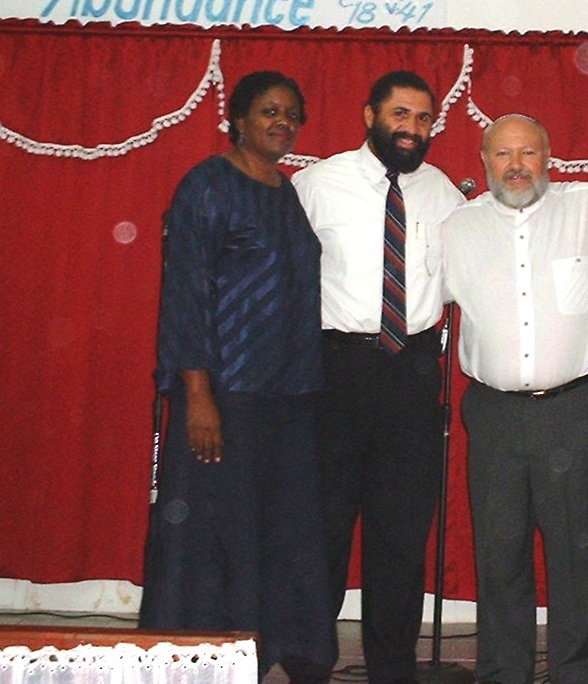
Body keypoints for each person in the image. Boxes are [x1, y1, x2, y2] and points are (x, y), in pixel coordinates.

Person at [140, 70, 335, 683]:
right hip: (227, 393)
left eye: (292, 115)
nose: (283, 122)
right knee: (216, 535)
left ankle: (279, 645)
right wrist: (197, 393)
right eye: (269, 111)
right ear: (239, 120)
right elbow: (187, 293)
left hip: (291, 395)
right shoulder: (207, 185)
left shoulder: (286, 190)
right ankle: (204, 655)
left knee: (283, 532)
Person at [442, 113, 588, 684]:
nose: (516, 166)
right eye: (503, 155)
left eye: (528, 152)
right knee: (499, 555)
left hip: (576, 410)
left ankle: (577, 673)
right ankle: (503, 672)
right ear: (484, 161)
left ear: (549, 155)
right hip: (494, 413)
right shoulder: (457, 227)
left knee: (578, 556)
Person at [292, 70, 463, 684]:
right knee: (324, 529)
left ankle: (393, 670)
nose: (412, 129)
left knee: (400, 537)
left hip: (414, 374)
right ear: (370, 115)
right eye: (401, 115)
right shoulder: (316, 184)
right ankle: (310, 664)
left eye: (423, 119)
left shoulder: (446, 194)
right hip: (334, 371)